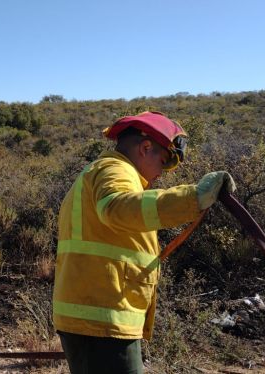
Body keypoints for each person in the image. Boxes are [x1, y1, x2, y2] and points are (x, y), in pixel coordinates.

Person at [52, 111, 236, 374]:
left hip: (97, 316)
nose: (162, 173)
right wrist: (193, 198)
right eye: (163, 161)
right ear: (146, 147)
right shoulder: (114, 170)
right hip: (102, 319)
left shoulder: (104, 172)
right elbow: (115, 208)